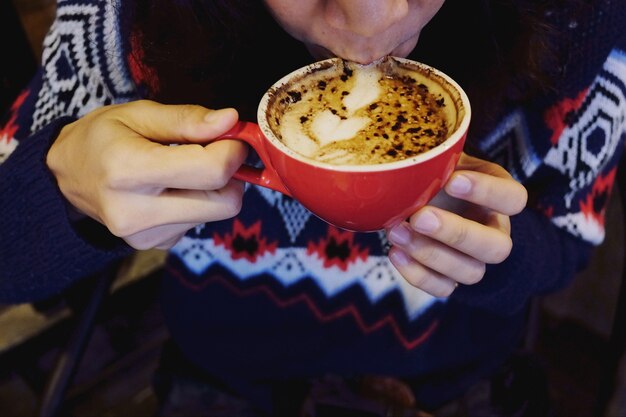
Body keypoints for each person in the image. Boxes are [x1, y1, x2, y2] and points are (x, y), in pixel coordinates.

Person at [1, 0, 625, 415]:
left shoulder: (580, 15)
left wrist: (501, 258)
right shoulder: (126, 18)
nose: (374, 15)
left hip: (460, 386)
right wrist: (66, 191)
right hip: (225, 385)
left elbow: (569, 236)